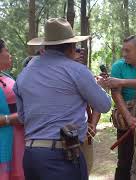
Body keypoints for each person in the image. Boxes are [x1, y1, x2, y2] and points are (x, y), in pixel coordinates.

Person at [13, 18, 112, 180]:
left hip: (32, 156)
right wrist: (100, 85)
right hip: (62, 158)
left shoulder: (24, 74)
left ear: (45, 46)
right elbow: (104, 105)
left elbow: (23, 117)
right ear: (71, 47)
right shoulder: (77, 71)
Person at [98, 35, 136, 180]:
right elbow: (116, 94)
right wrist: (128, 117)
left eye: (128, 50)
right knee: (125, 161)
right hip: (127, 121)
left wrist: (121, 81)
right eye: (123, 50)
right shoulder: (118, 66)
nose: (124, 54)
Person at [0, 39, 25, 180]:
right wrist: (10, 119)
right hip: (5, 140)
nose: (10, 55)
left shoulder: (6, 76)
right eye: (6, 50)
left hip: (18, 139)